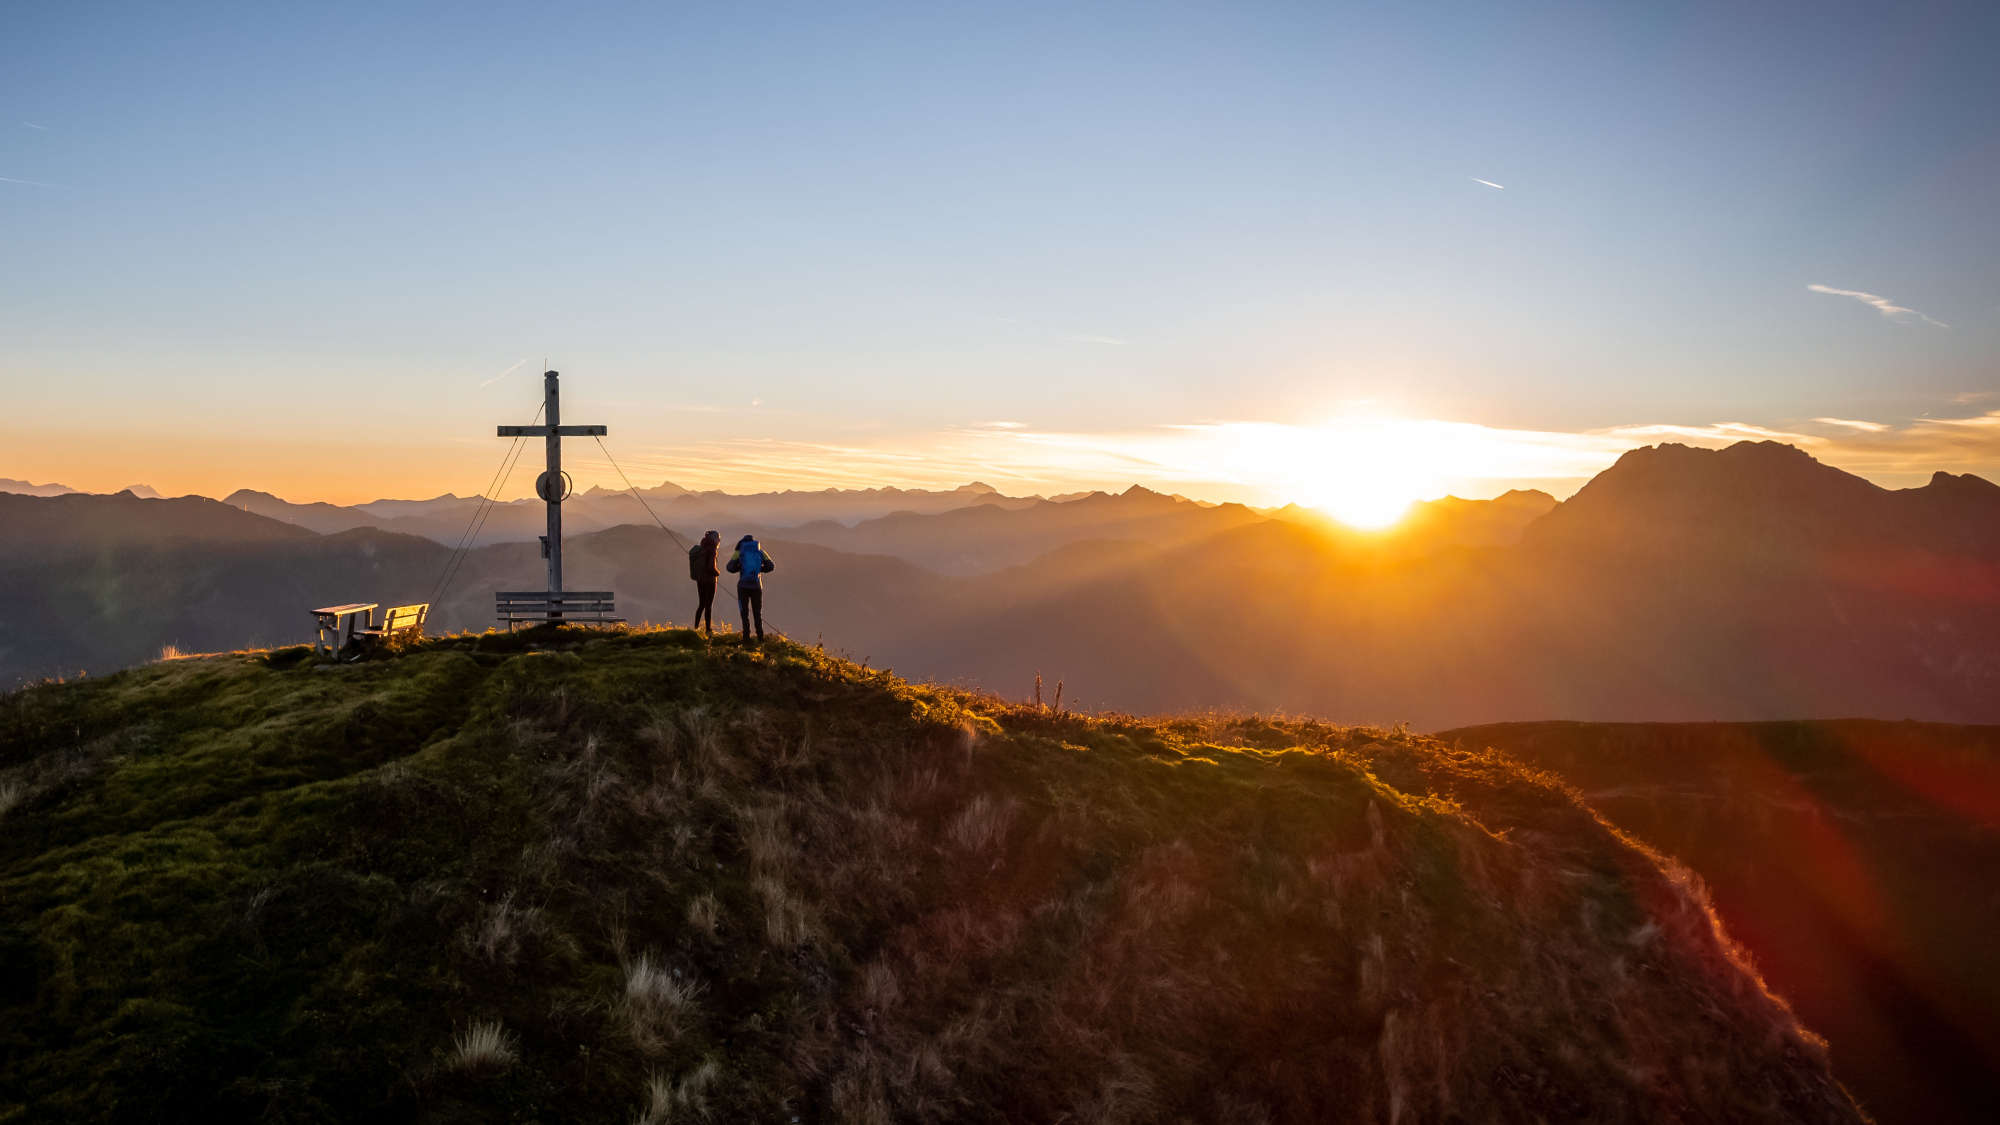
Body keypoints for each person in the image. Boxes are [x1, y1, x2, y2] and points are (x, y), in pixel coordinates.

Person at [725, 533, 775, 641]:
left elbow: (729, 568)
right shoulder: (761, 552)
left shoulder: (739, 553)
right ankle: (760, 637)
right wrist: (758, 570)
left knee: (744, 613)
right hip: (756, 586)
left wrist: (740, 568)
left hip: (742, 586)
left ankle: (746, 638)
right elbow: (771, 567)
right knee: (757, 613)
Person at [687, 530, 721, 635]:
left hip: (700, 578)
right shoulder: (712, 549)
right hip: (710, 580)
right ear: (715, 539)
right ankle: (708, 629)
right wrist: (717, 573)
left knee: (701, 604)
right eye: (718, 538)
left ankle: (696, 627)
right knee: (708, 605)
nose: (719, 541)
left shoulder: (702, 547)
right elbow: (711, 567)